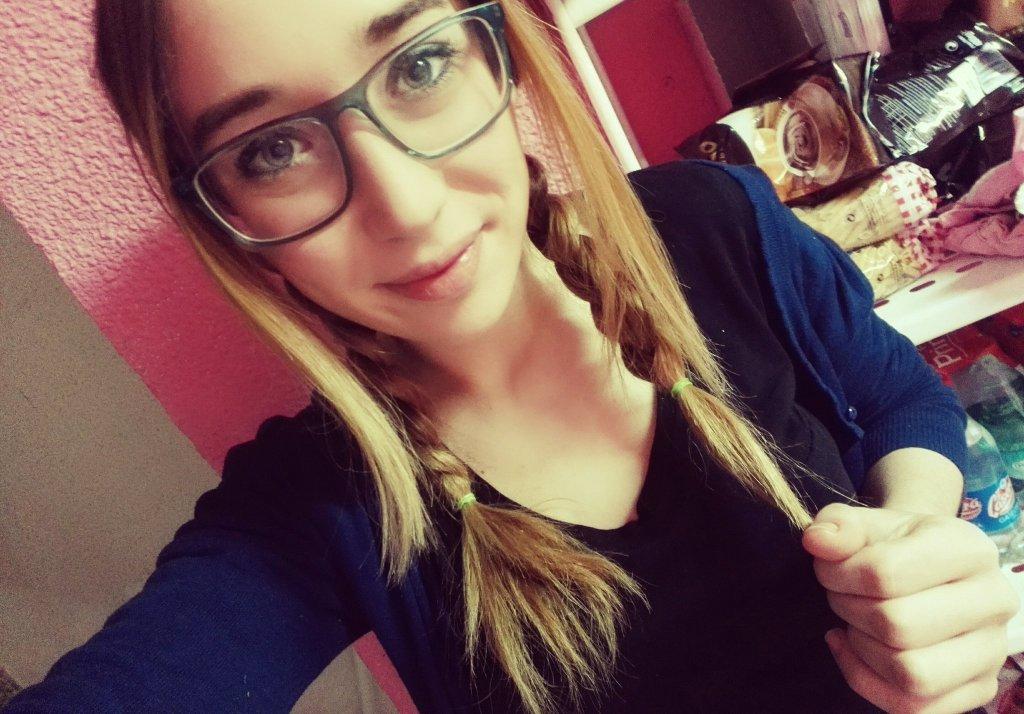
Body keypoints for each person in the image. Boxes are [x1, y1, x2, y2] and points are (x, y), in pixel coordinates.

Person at [6, 0, 1020, 712]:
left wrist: (915, 545)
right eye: (271, 150)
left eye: (417, 67)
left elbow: (897, 396)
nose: (407, 206)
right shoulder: (318, 508)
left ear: (497, 52)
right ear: (226, 222)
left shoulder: (716, 224)